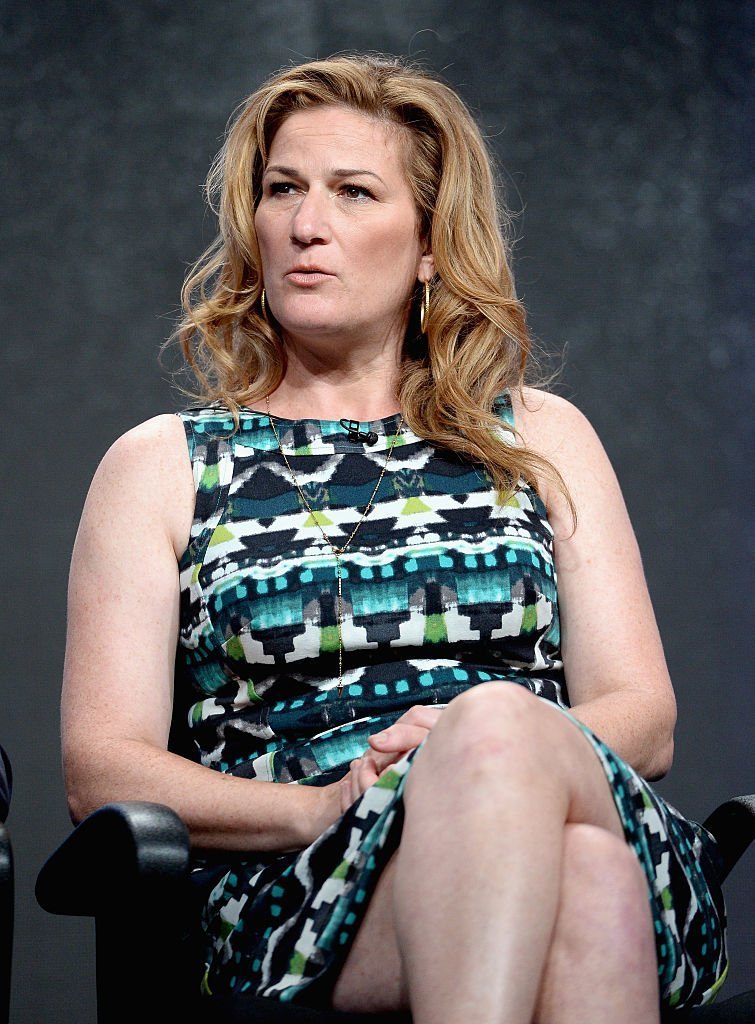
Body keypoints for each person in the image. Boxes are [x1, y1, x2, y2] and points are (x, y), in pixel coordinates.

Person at [61, 53, 728, 1022]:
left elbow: (642, 717)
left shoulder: (538, 435)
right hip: (308, 887)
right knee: (584, 885)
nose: (304, 223)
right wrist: (323, 804)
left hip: (568, 802)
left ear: (426, 245)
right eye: (281, 189)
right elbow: (102, 769)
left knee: (498, 732)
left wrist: (477, 746)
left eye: (353, 192)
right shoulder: (162, 464)